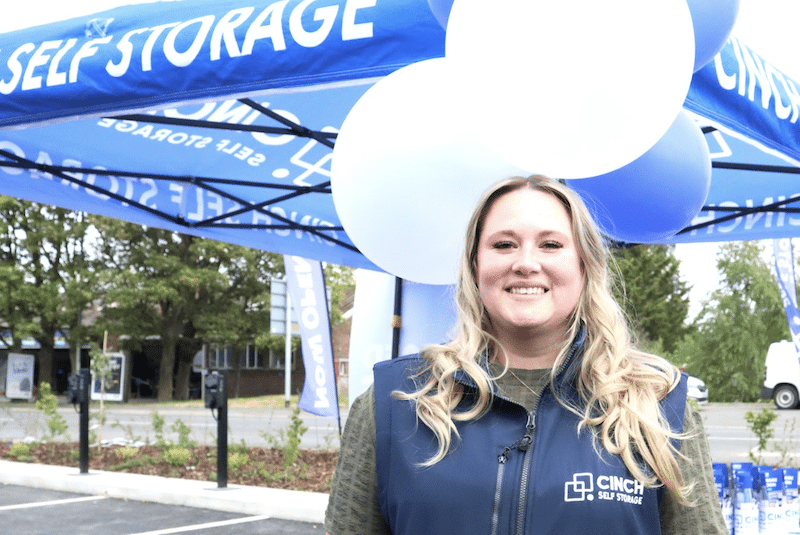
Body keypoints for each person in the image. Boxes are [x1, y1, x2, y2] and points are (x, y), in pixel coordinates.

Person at [325, 175, 727, 535]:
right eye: (504, 245)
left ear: (584, 266)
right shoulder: (396, 401)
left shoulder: (655, 407)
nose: (526, 263)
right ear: (475, 266)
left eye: (551, 245)